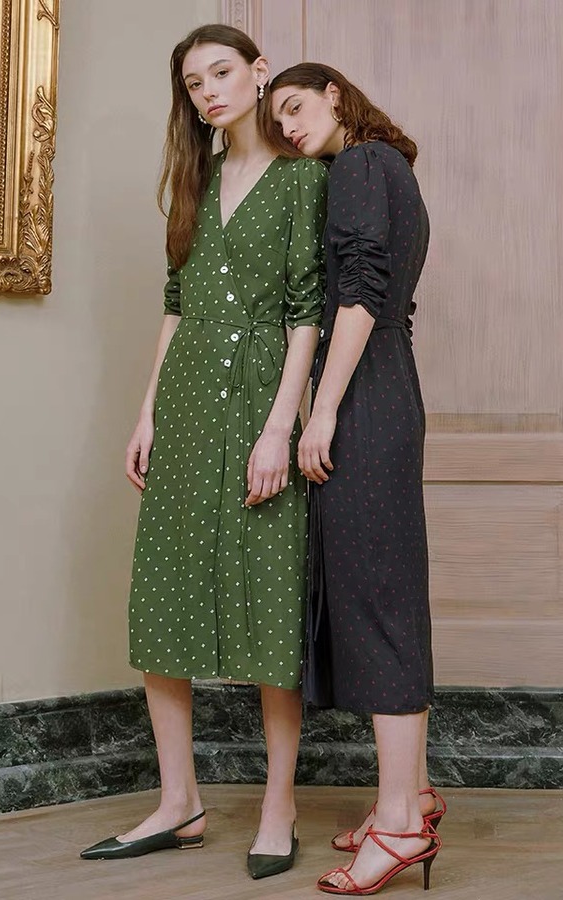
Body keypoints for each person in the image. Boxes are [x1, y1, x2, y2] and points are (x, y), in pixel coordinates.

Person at [79, 26, 327, 881]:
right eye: (193, 83)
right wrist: (146, 411)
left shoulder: (304, 180)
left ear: (259, 74)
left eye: (221, 72)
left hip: (261, 397)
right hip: (185, 402)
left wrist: (280, 427)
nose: (208, 91)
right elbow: (176, 303)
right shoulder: (197, 177)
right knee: (165, 588)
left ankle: (278, 806)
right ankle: (178, 799)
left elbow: (307, 312)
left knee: (270, 594)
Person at [270, 63, 444, 895]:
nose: (288, 127)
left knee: (379, 603)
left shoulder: (361, 164)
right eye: (278, 121)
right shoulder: (391, 168)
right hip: (388, 387)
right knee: (386, 594)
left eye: (295, 107)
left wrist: (324, 409)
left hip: (366, 394)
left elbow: (365, 292)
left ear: (335, 95)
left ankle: (402, 824)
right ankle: (409, 797)